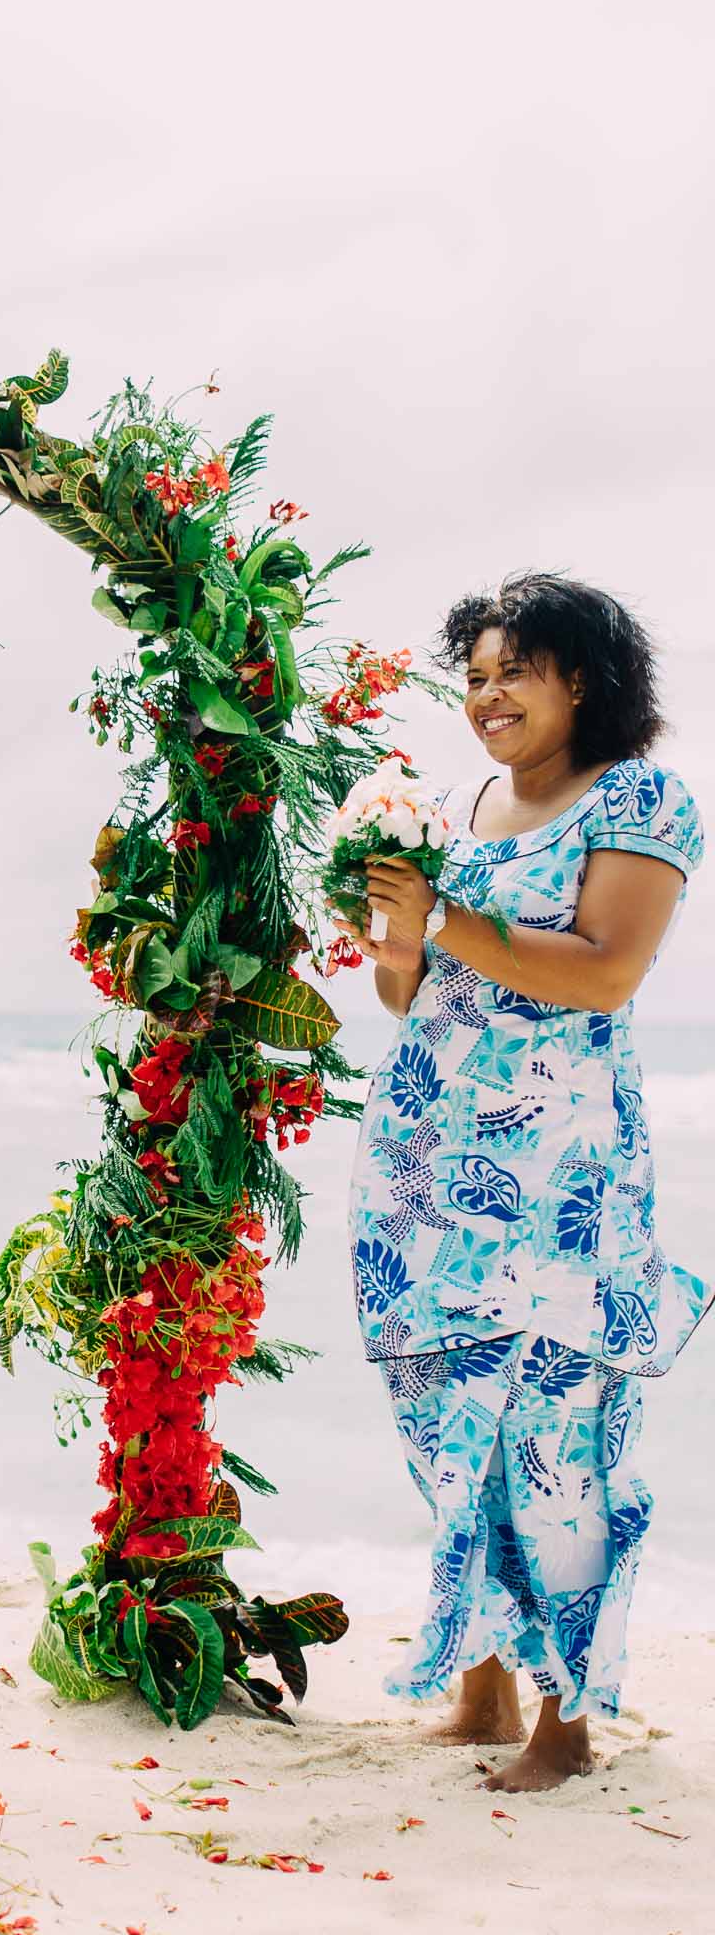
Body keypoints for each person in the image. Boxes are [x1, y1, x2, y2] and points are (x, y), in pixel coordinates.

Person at [341, 573, 701, 1791]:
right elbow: (407, 991)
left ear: (582, 681)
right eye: (477, 674)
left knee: (554, 1426)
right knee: (442, 1411)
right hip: (422, 1156)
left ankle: (567, 1721)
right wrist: (395, 930)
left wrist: (442, 919)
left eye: (516, 672)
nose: (488, 695)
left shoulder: (641, 798)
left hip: (559, 1173)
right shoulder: (451, 802)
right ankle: (481, 1685)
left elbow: (606, 973)